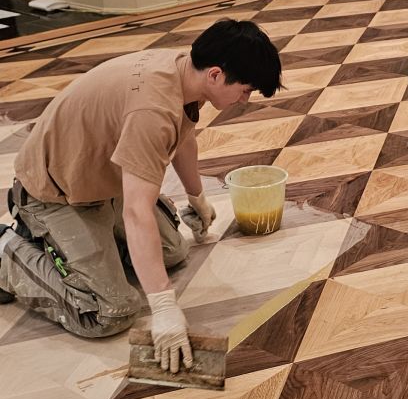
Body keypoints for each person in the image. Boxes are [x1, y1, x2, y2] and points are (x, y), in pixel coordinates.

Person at [0, 19, 282, 372]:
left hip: (101, 182)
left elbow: (184, 138)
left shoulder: (183, 69)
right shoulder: (152, 110)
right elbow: (136, 212)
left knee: (172, 252)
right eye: (245, 90)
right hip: (53, 193)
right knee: (111, 311)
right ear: (215, 74)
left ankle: (90, 250)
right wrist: (164, 307)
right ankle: (6, 251)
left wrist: (196, 196)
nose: (245, 99)